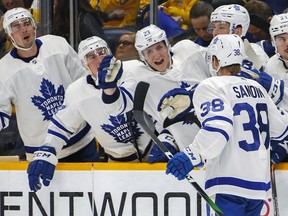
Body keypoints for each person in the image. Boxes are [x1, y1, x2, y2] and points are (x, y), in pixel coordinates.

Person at [158, 34, 288, 216]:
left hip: (228, 186)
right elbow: (281, 129)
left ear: (216, 60)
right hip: (259, 187)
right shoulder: (257, 88)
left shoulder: (211, 85)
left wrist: (192, 155)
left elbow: (219, 127)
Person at [27, 36, 155, 191]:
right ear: (84, 65)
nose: (99, 59)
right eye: (92, 57)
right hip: (118, 166)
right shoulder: (77, 92)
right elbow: (61, 126)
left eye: (102, 53)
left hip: (155, 155)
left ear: (110, 54)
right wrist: (47, 150)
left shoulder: (135, 69)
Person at [98, 24, 210, 162]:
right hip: (190, 152)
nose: (156, 55)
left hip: (221, 133)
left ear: (167, 45)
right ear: (142, 56)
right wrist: (109, 88)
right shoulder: (139, 77)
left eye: (159, 47)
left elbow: (221, 68)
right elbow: (115, 108)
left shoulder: (188, 51)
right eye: (149, 51)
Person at [0, 8, 99, 164]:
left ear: (34, 26)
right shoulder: (4, 70)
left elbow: (85, 81)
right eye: (16, 27)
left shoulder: (57, 44)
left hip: (81, 142)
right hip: (41, 154)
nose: (23, 29)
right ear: (10, 35)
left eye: (26, 23)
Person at [210, 4, 269, 70]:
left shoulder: (255, 53)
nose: (215, 32)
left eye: (221, 28)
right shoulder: (211, 52)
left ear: (238, 32)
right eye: (214, 27)